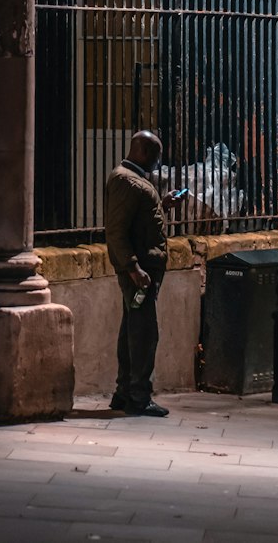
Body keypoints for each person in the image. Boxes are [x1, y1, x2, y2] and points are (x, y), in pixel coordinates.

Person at [104, 130, 186, 416]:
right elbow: (116, 230)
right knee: (143, 332)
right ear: (142, 151)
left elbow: (139, 218)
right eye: (155, 154)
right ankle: (138, 396)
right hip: (140, 271)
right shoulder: (126, 180)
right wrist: (133, 268)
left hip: (144, 267)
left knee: (133, 329)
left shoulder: (133, 180)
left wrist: (163, 205)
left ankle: (124, 392)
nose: (157, 161)